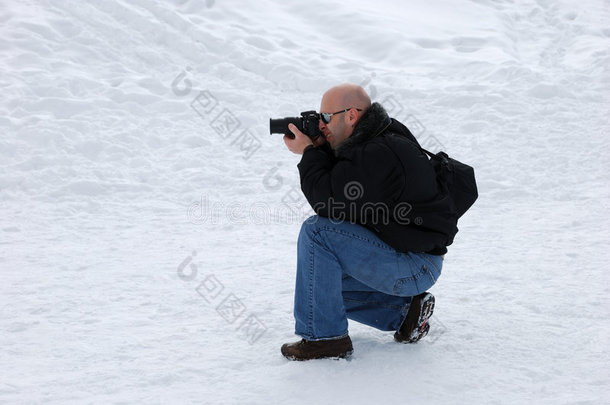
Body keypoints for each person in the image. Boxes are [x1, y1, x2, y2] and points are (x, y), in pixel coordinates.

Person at [281, 83, 447, 361]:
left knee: (317, 232)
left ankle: (325, 340)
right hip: (412, 258)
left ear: (351, 116)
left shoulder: (378, 152)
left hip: (414, 264)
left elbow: (328, 203)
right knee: (318, 291)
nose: (321, 125)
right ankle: (405, 314)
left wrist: (310, 153)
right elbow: (345, 189)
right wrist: (321, 148)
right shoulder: (375, 137)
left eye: (325, 118)